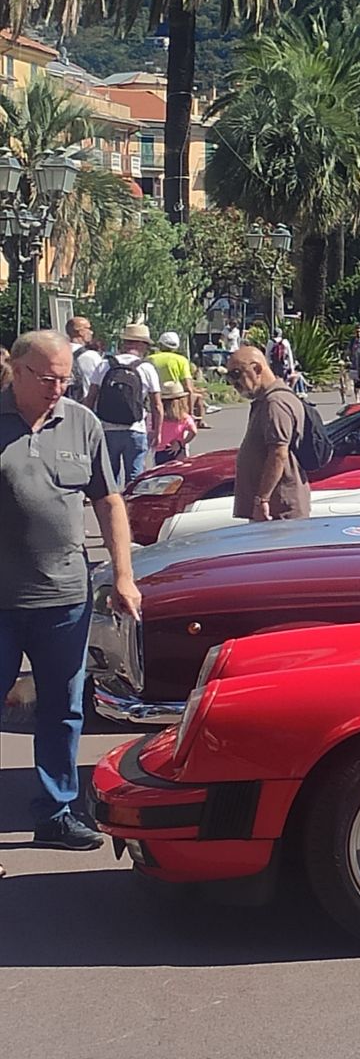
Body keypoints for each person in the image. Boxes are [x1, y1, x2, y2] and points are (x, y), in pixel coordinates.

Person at [0, 330, 139, 853]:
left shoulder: (83, 423)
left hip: (64, 598)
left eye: (66, 378)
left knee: (64, 706)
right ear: (16, 370)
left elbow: (108, 501)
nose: (59, 388)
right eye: (47, 378)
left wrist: (123, 576)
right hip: (1, 602)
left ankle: (55, 812)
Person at [224, 347, 311, 523]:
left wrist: (262, 499)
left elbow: (278, 454)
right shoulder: (267, 400)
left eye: (235, 374)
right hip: (273, 509)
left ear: (256, 369)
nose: (233, 383)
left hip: (278, 511)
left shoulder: (275, 403)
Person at [90, 322, 163, 491]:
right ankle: (132, 512)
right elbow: (157, 405)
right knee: (135, 477)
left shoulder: (105, 364)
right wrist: (157, 432)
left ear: (125, 343)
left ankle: (113, 513)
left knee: (109, 477)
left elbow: (91, 397)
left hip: (107, 428)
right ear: (142, 345)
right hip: (135, 429)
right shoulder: (146, 368)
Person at [149, 331, 207, 428]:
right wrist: (190, 412)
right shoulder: (181, 360)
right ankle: (199, 421)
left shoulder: (150, 359)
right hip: (176, 398)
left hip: (155, 397)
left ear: (160, 344)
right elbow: (188, 387)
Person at [155, 381, 197, 464]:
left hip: (161, 450)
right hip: (177, 449)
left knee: (162, 473)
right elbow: (194, 431)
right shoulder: (184, 417)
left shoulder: (160, 417)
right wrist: (182, 442)